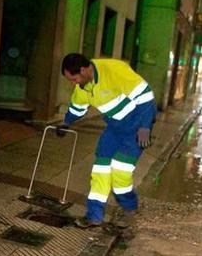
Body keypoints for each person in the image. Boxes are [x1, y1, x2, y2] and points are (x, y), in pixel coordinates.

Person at [57, 53, 156, 228]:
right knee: (100, 170)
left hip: (135, 129)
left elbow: (146, 97)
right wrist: (66, 123)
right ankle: (94, 216)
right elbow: (77, 108)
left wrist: (145, 127)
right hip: (114, 129)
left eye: (74, 79)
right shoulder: (83, 86)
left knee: (120, 171)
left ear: (84, 69)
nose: (74, 84)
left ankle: (129, 209)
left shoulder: (113, 69)